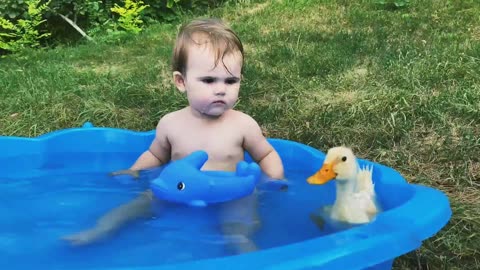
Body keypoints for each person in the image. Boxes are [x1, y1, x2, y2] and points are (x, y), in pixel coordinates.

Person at [63, 18, 285, 254]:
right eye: (209, 80)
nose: (221, 89)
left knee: (238, 227)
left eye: (231, 80)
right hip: (177, 188)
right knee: (134, 206)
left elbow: (266, 154)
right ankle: (101, 230)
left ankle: (247, 251)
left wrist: (275, 179)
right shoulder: (171, 123)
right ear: (181, 82)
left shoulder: (243, 124)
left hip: (230, 193)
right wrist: (135, 170)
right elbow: (155, 155)